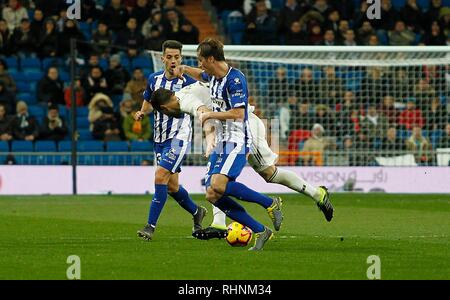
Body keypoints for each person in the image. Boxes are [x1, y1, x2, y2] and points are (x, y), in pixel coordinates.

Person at [173, 38, 333, 250]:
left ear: (211, 59)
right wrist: (184, 69)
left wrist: (209, 115)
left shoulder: (235, 80)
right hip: (223, 139)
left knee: (229, 183)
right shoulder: (212, 77)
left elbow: (239, 114)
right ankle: (252, 226)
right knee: (215, 191)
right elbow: (201, 74)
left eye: (201, 60)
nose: (200, 64)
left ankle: (272, 203)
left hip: (240, 136)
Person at [148, 81, 334, 239]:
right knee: (221, 181)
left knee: (245, 177)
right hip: (228, 130)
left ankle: (310, 195)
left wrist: (210, 139)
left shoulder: (184, 101)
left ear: (164, 109)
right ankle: (220, 223)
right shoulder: (186, 89)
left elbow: (203, 114)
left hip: (243, 128)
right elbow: (205, 79)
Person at [134, 40, 207, 242]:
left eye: (177, 57)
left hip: (179, 137)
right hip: (160, 138)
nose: (173, 60)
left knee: (160, 176)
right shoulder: (154, 79)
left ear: (181, 58)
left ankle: (150, 226)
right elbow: (149, 101)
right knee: (172, 186)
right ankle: (196, 212)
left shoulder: (188, 82)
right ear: (162, 58)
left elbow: (207, 88)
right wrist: (142, 112)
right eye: (169, 57)